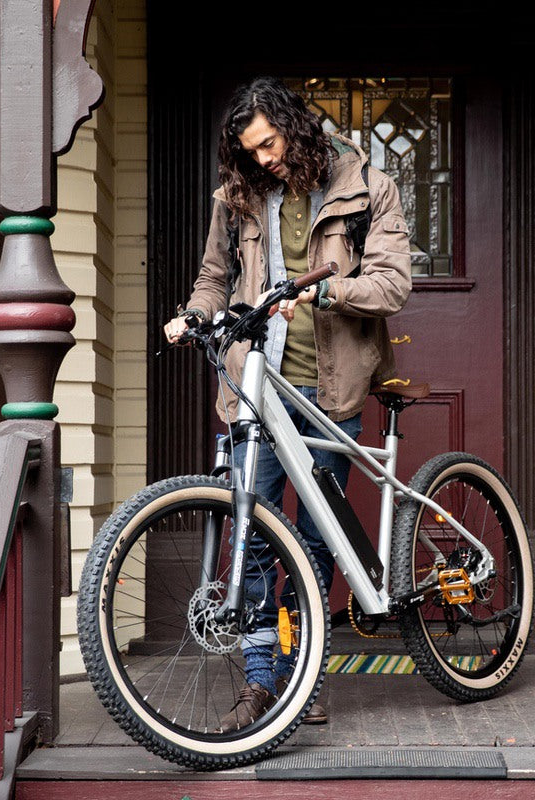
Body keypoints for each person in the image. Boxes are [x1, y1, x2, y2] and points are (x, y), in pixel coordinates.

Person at [164, 76, 412, 731]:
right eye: (251, 150)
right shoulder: (239, 196)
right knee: (251, 534)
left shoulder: (367, 188)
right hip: (255, 388)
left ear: (295, 126)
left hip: (333, 390)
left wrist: (327, 295)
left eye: (269, 144)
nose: (264, 159)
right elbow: (214, 278)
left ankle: (309, 671)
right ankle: (259, 680)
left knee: (316, 539)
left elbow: (392, 283)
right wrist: (192, 316)